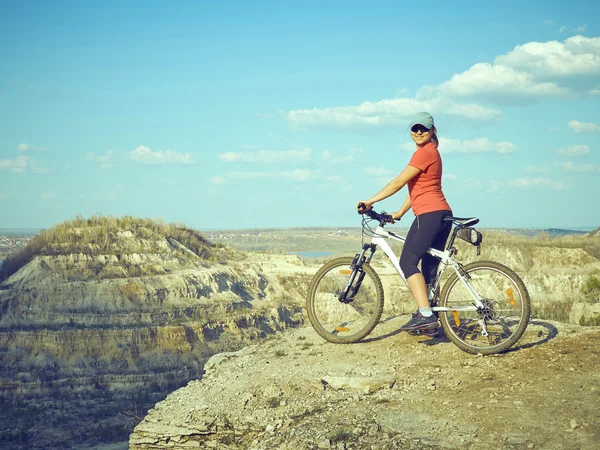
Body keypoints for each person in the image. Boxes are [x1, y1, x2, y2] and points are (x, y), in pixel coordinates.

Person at [357, 112, 452, 331]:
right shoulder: (433, 153)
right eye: (415, 129)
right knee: (429, 270)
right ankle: (433, 318)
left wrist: (370, 201)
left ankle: (425, 314)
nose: (419, 132)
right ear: (410, 131)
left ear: (432, 131)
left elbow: (398, 182)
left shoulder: (423, 153)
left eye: (424, 129)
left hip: (428, 214)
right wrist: (400, 212)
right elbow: (418, 188)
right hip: (441, 214)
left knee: (408, 263)